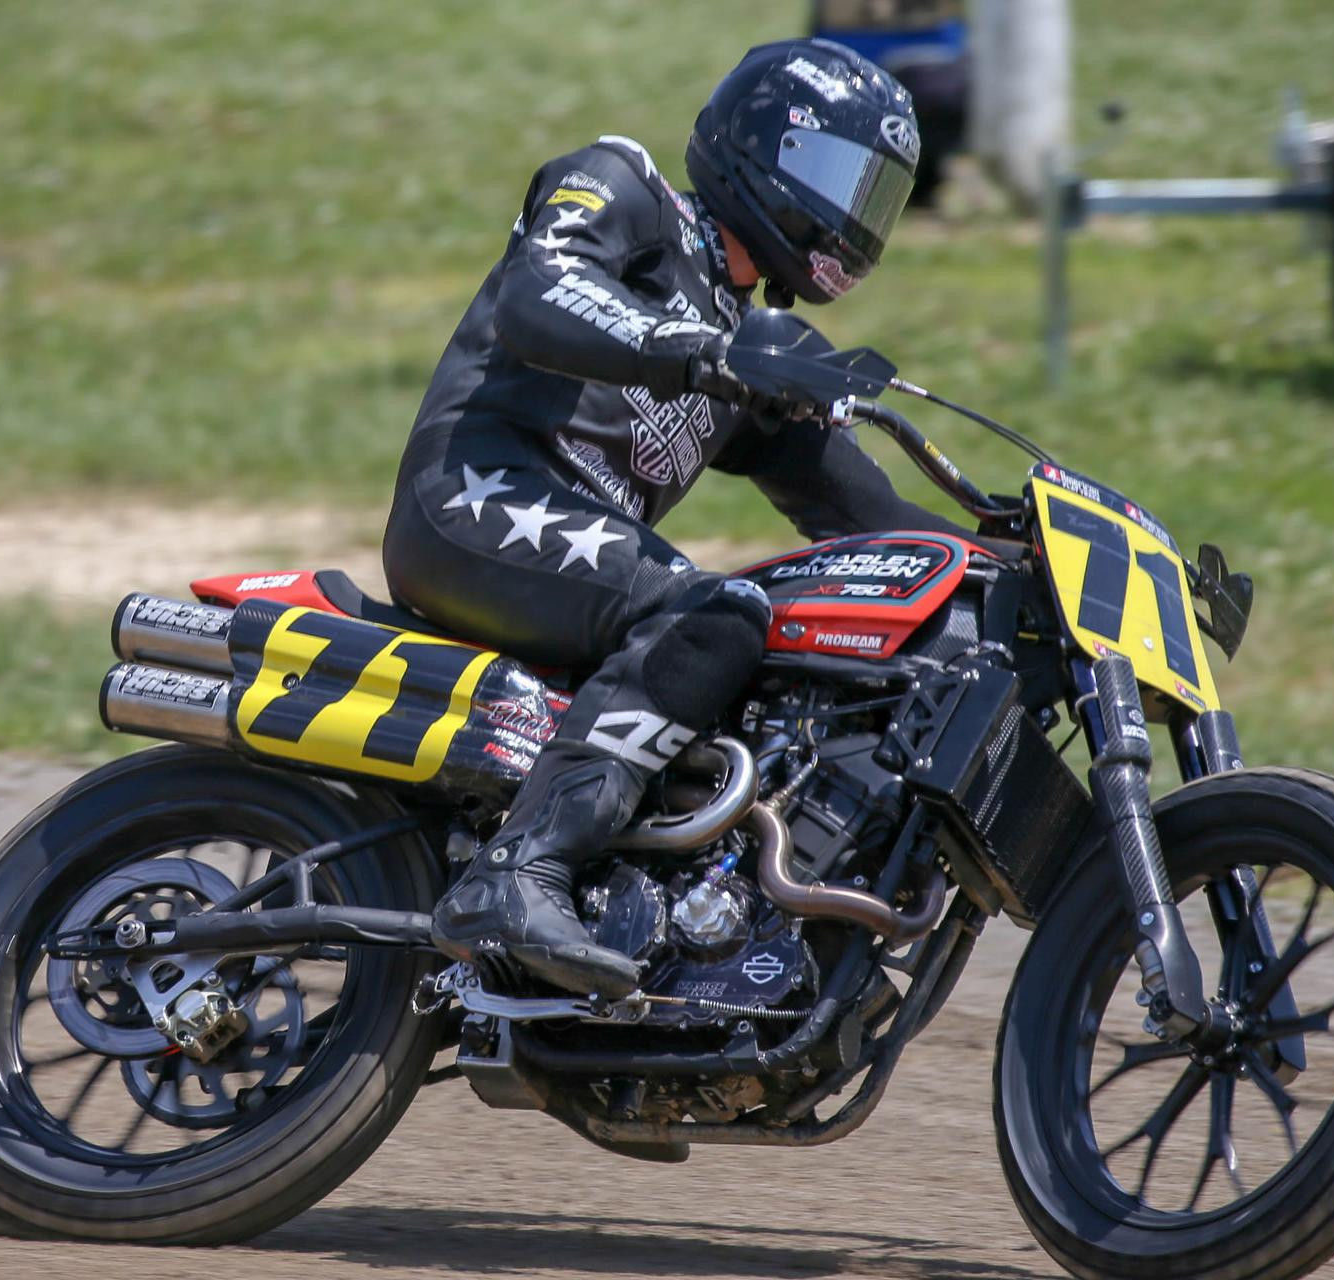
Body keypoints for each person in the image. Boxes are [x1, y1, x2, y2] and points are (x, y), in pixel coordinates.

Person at [385, 38, 970, 997]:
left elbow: (874, 518)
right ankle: (517, 872)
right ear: (760, 144)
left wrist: (1019, 553)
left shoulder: (747, 346)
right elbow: (542, 295)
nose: (853, 218)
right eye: (837, 176)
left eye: (876, 197)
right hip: (470, 501)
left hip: (568, 553)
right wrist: (702, 355)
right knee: (716, 611)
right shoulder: (621, 185)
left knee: (793, 646)